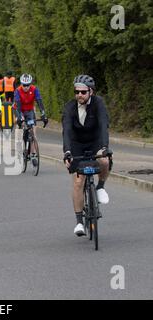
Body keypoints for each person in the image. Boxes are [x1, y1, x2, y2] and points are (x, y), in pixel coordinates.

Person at [62, 74, 112, 237]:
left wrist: (104, 147)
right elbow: (67, 131)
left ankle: (100, 187)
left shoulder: (98, 104)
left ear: (91, 92)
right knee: (78, 181)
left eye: (83, 92)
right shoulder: (70, 107)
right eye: (77, 92)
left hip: (95, 141)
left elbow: (104, 125)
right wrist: (67, 152)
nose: (79, 95)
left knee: (104, 160)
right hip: (77, 144)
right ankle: (79, 222)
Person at [15, 74, 48, 166]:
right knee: (20, 130)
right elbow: (17, 105)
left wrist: (43, 114)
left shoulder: (34, 89)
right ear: (21, 84)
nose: (26, 87)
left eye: (27, 85)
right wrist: (20, 118)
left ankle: (33, 155)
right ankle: (21, 149)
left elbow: (39, 101)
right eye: (24, 85)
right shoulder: (17, 90)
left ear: (30, 84)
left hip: (30, 111)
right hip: (20, 110)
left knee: (33, 132)